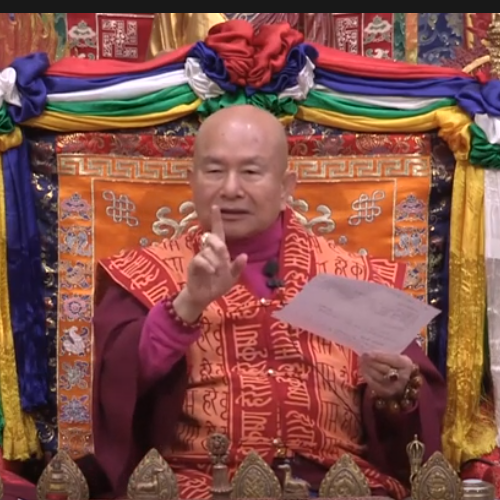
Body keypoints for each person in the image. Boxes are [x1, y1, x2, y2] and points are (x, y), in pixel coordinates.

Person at [89, 105, 446, 500]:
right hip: (198, 482)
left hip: (334, 483)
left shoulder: (353, 278)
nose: (230, 189)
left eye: (251, 172)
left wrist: (395, 391)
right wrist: (187, 304)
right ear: (191, 181)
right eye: (214, 171)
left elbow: (414, 411)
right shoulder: (145, 274)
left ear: (286, 186)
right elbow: (117, 386)